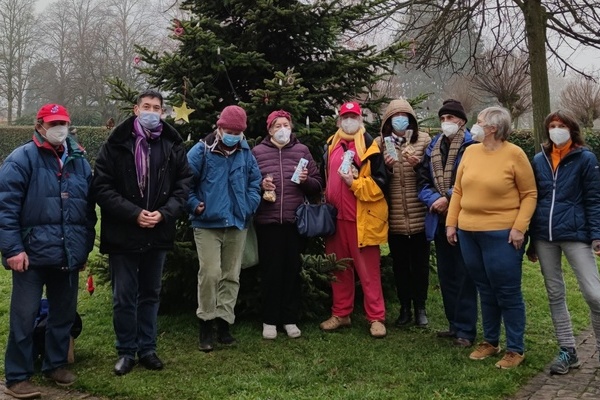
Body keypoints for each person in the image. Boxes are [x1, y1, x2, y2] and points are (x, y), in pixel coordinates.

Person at [92, 90, 192, 376]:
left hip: (158, 231)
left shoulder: (172, 144)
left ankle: (147, 348)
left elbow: (184, 184)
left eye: (156, 107)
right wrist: (133, 213)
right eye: (146, 106)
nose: (151, 111)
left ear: (162, 112)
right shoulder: (116, 144)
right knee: (124, 295)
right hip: (124, 232)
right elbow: (102, 186)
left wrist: (164, 213)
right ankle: (125, 350)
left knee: (150, 293)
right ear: (136, 110)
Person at [0, 104, 96, 399]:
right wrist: (13, 249)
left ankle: (55, 364)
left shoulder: (79, 160)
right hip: (30, 256)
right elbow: (5, 208)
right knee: (24, 315)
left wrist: (82, 250)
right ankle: (17, 376)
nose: (60, 127)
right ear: (39, 124)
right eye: (54, 122)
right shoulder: (21, 159)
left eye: (64, 122)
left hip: (67, 254)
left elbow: (87, 210)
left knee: (63, 313)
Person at [446, 106, 537, 369]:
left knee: (507, 292)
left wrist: (520, 227)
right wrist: (452, 223)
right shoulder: (471, 152)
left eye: (480, 121)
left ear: (493, 128)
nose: (475, 125)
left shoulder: (515, 154)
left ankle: (515, 348)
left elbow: (529, 194)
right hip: (468, 232)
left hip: (502, 234)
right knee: (484, 288)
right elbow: (459, 190)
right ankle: (490, 341)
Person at [527, 110, 600, 375]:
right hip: (544, 237)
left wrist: (597, 235)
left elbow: (593, 199)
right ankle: (568, 350)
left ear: (572, 129)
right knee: (555, 294)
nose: (556, 130)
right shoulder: (538, 159)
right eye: (552, 126)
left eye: (561, 125)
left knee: (595, 294)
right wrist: (531, 242)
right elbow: (533, 199)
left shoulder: (585, 159)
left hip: (576, 234)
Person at [187, 105, 261, 352]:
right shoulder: (200, 151)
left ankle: (224, 323)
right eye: (228, 130)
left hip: (237, 222)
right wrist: (194, 205)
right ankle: (206, 322)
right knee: (210, 273)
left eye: (236, 132)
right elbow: (184, 182)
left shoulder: (245, 153)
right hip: (207, 223)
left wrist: (250, 204)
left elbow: (255, 181)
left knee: (231, 275)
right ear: (219, 127)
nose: (232, 135)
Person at [319, 101, 389, 338]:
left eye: (354, 116)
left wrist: (354, 184)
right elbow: (325, 177)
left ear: (361, 120)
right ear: (339, 120)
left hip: (362, 219)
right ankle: (341, 313)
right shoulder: (330, 144)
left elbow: (380, 185)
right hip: (335, 220)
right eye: (345, 116)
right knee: (339, 269)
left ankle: (376, 317)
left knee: (368, 272)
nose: (349, 121)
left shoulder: (370, 146)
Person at [252, 110, 323, 339]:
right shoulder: (258, 152)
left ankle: (290, 319)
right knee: (271, 271)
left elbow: (317, 185)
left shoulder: (301, 151)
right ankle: (269, 320)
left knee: (292, 271)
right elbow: (248, 183)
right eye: (277, 125)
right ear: (269, 129)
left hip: (295, 221)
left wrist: (305, 181)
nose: (283, 129)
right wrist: (262, 185)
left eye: (286, 124)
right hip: (268, 222)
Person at [416, 99, 478, 347]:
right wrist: (434, 199)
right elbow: (422, 181)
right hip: (439, 217)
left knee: (464, 273)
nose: (446, 123)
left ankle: (466, 329)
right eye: (442, 119)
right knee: (447, 273)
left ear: (461, 121)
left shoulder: (473, 146)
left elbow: (473, 180)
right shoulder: (433, 147)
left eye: (450, 119)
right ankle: (454, 324)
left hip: (464, 217)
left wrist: (448, 197)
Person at [376, 99, 431, 327]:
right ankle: (404, 308)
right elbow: (377, 180)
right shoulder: (381, 143)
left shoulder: (424, 140)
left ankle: (420, 308)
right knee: (400, 265)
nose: (400, 118)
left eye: (404, 114)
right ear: (388, 120)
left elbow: (430, 175)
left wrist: (418, 164)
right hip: (395, 215)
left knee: (420, 264)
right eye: (395, 115)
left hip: (419, 214)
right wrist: (387, 168)